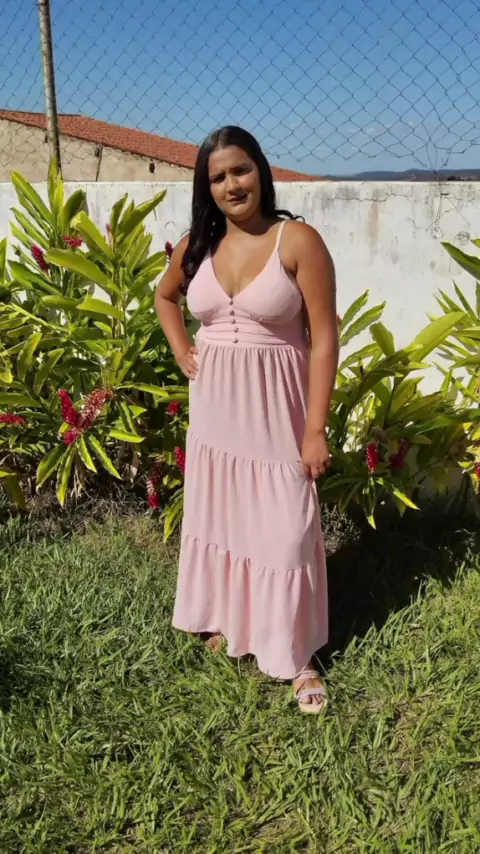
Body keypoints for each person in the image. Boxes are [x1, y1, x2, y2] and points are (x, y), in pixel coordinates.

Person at [155, 126, 338, 713]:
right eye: (218, 177)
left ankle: (298, 656)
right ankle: (232, 622)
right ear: (205, 187)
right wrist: (182, 348)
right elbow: (165, 297)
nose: (231, 185)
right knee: (226, 518)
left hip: (277, 413)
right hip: (217, 415)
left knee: (287, 529)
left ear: (261, 170)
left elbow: (324, 338)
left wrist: (315, 427)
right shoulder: (197, 245)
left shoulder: (297, 240)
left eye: (240, 170)